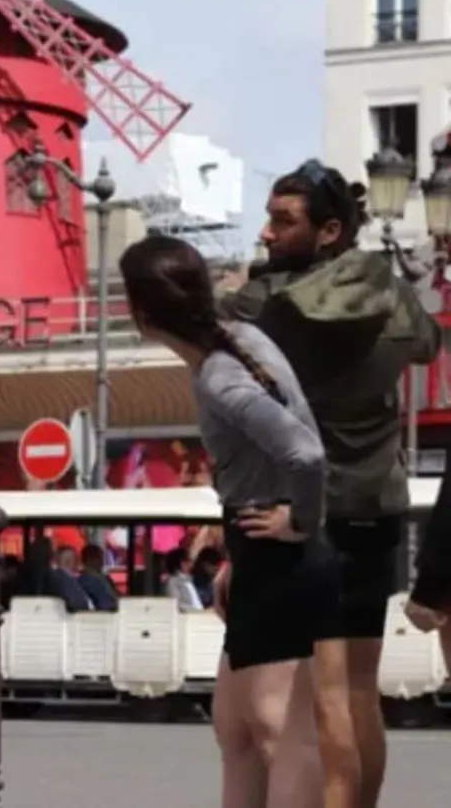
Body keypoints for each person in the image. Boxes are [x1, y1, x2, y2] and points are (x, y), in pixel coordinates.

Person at [222, 160, 442, 808]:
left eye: (282, 221)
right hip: (376, 505)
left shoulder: (264, 307)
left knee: (314, 706)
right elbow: (428, 343)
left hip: (308, 511)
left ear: (329, 230)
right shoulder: (389, 290)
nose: (265, 233)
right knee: (357, 693)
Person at [121, 234, 328, 807]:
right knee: (236, 725)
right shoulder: (240, 341)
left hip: (282, 549)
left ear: (140, 314)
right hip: (259, 547)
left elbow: (303, 452)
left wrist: (300, 522)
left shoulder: (219, 374)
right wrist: (242, 552)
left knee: (277, 726)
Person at [77, 544, 118, 611]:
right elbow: (106, 603)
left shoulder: (105, 578)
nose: (102, 562)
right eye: (99, 558)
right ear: (89, 559)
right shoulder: (87, 581)